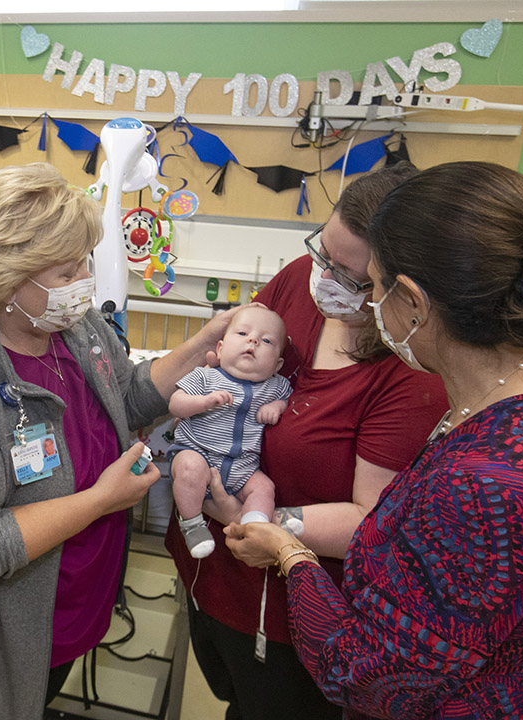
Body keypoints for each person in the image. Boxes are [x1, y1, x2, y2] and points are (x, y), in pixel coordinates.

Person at [226, 161, 523, 719]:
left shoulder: (482, 482)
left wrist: (289, 551)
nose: (366, 306)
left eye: (371, 287)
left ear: (413, 303)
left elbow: (368, 675)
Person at [0, 163, 241, 720]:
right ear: (4, 275)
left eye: (86, 263)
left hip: (69, 610)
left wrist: (202, 345)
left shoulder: (76, 329)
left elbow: (125, 397)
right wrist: (101, 500)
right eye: (65, 269)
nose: (84, 282)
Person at [164, 163, 449, 720]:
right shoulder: (300, 279)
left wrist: (251, 517)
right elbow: (236, 348)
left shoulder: (414, 375)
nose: (324, 280)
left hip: (290, 610)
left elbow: (371, 521)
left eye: (351, 274)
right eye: (324, 253)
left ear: (405, 289)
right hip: (208, 569)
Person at [171, 305, 294, 558]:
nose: (253, 340)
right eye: (242, 333)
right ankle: (192, 525)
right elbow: (176, 403)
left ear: (277, 364)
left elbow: (288, 400)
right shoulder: (205, 378)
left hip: (243, 467)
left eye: (267, 340)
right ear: (220, 348)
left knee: (264, 488)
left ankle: (254, 526)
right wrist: (203, 402)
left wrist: (278, 406)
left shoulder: (276, 387)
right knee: (188, 469)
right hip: (198, 454)